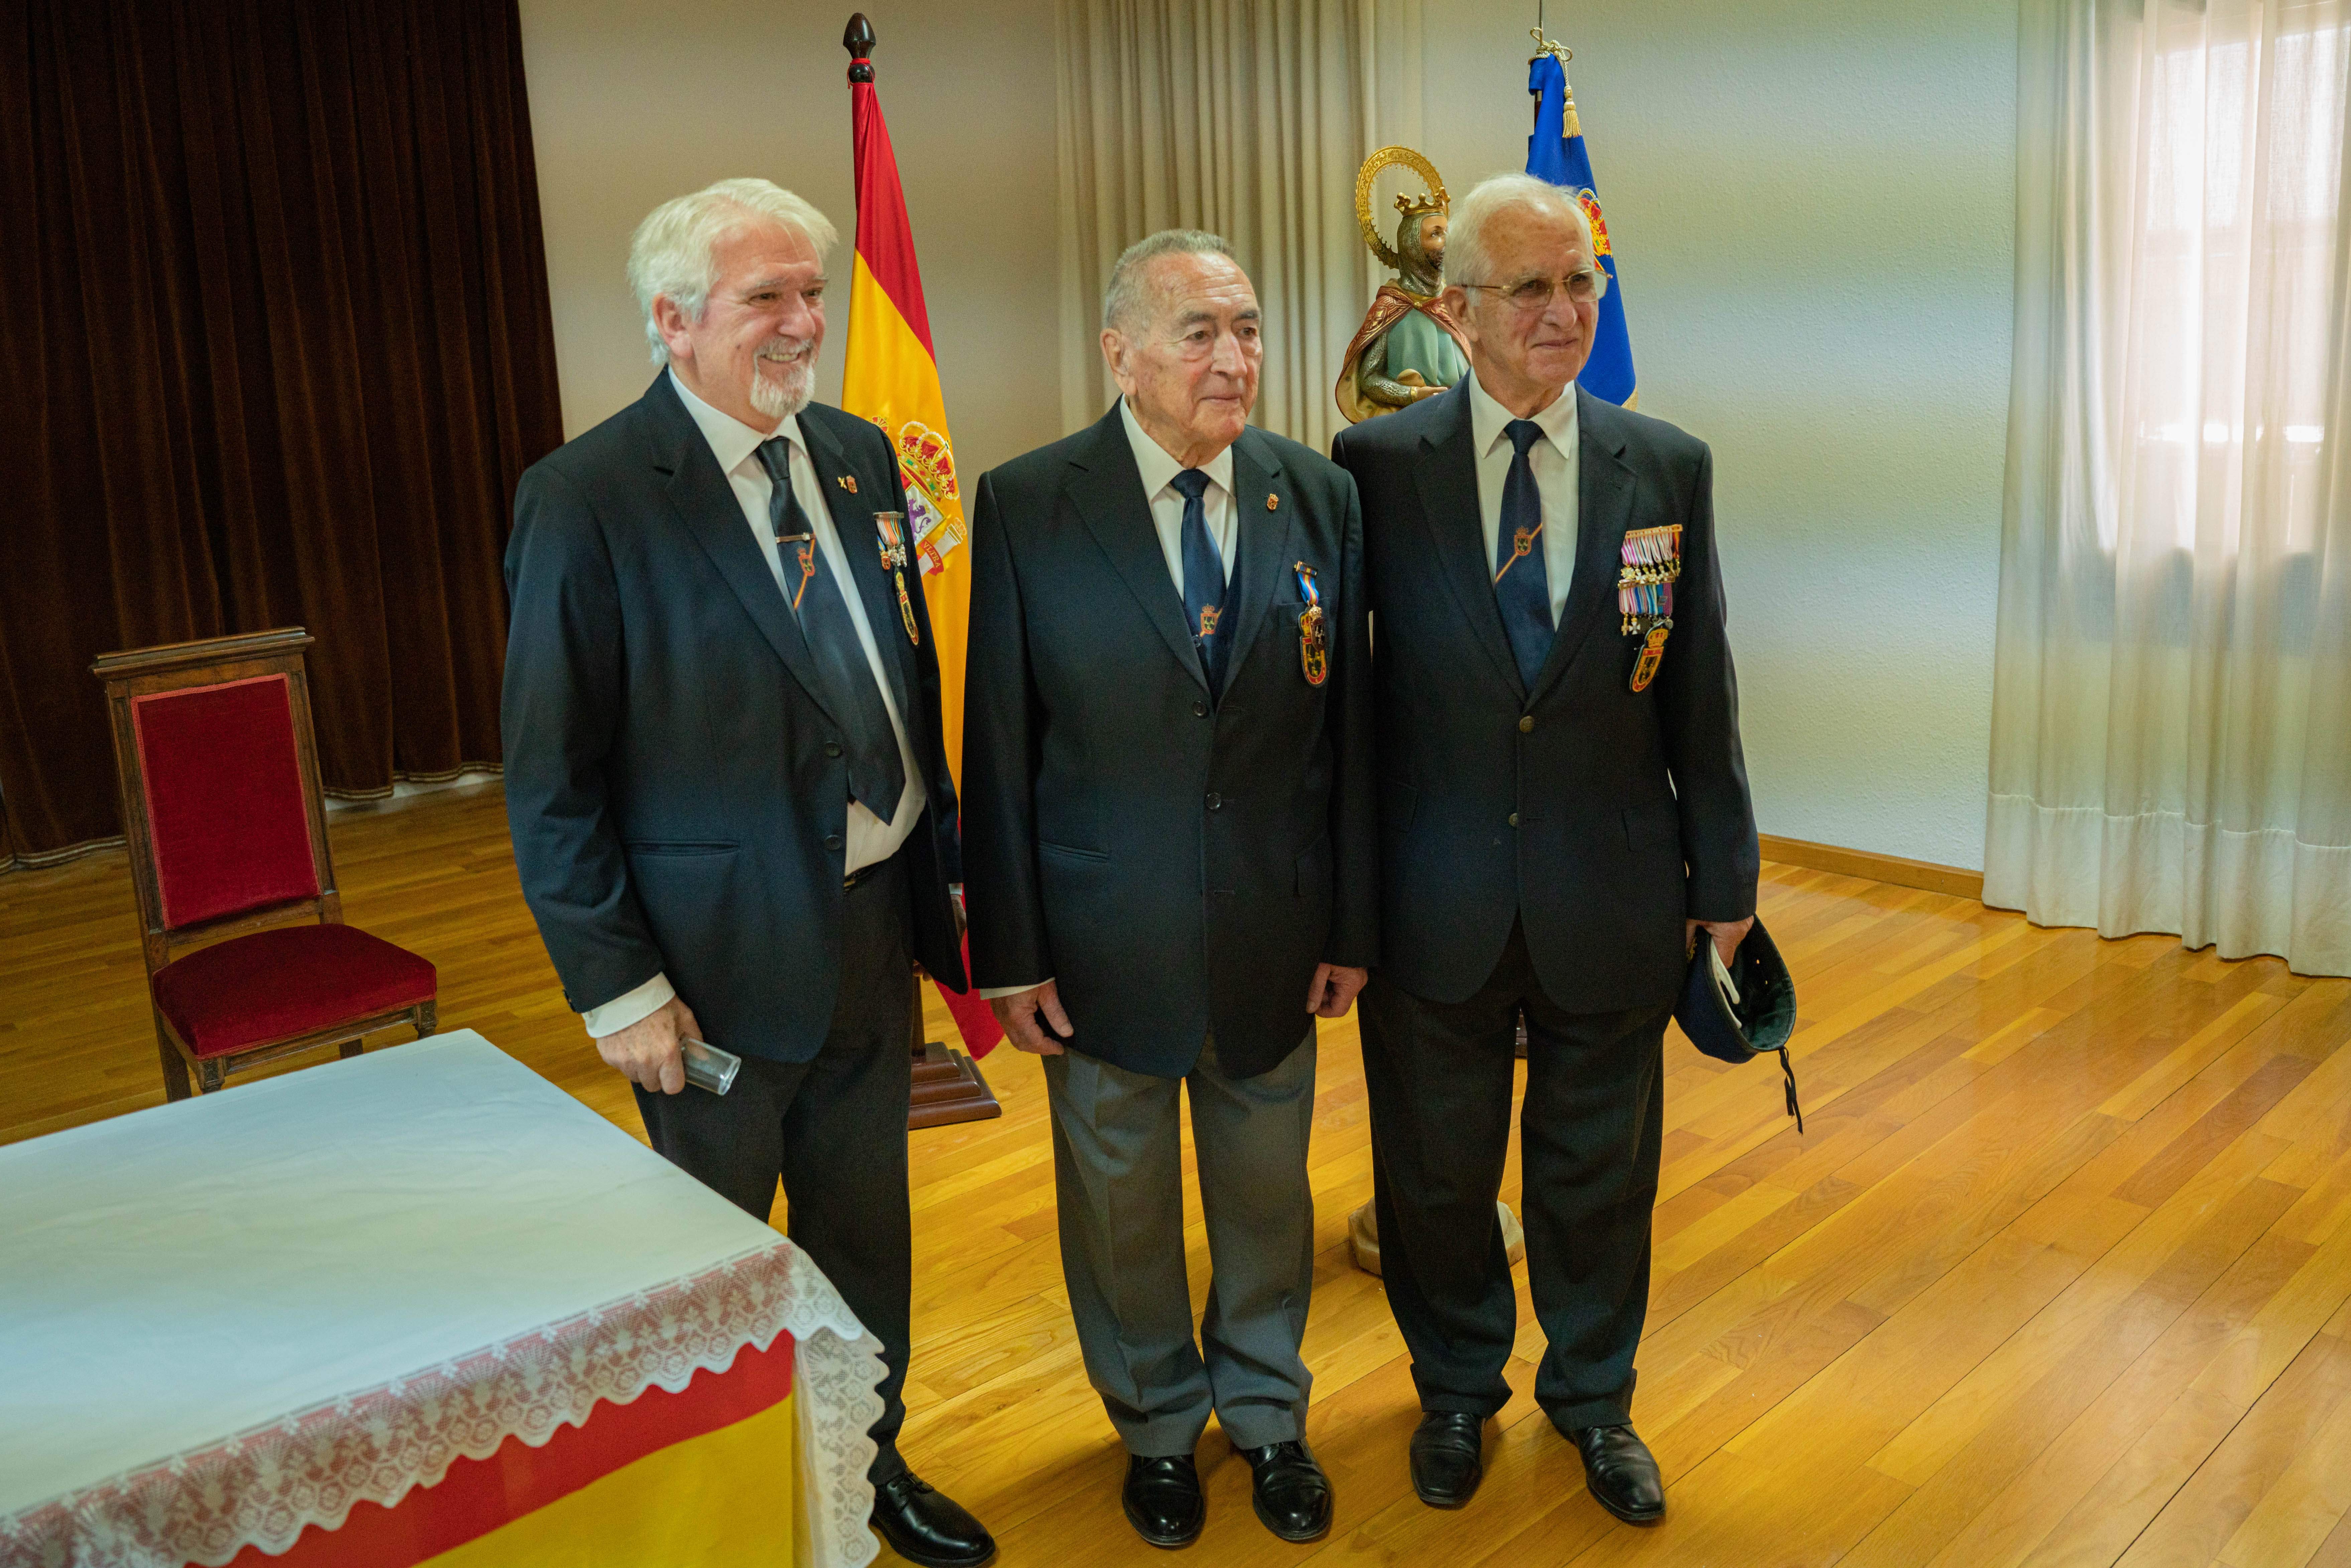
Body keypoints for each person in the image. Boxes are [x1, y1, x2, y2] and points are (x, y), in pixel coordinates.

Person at [501, 177, 995, 1568]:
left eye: (812, 293)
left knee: (866, 1231)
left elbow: (895, 679)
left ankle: (869, 1465)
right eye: (766, 296)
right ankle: (734, 1506)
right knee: (720, 1260)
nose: (802, 323)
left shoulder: (853, 454)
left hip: (871, 929)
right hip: (703, 977)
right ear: (673, 321)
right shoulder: (587, 499)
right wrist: (620, 992)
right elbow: (551, 783)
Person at [1331, 172, 1759, 1527]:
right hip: (1430, 899)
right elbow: (1345, 713)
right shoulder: (1373, 473)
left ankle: (1595, 1401)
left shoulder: (1664, 465)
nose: (1565, 311)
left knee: (1597, 1176)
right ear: (1454, 312)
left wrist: (1727, 880)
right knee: (1435, 1173)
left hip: (1612, 889)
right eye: (1531, 287)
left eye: (1582, 282)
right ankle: (1455, 1388)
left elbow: (1700, 685)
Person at [960, 230, 1375, 1551]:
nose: (1234, 357)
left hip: (1274, 929)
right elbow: (1000, 746)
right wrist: (1010, 953)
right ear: (1119, 353)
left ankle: (1265, 1414)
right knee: (1120, 1207)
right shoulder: (1032, 501)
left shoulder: (1316, 496)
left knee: (1266, 1200)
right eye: (1198, 331)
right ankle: (1152, 1424)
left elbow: (1350, 734)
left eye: (1247, 328)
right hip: (1096, 943)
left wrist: (1353, 923)